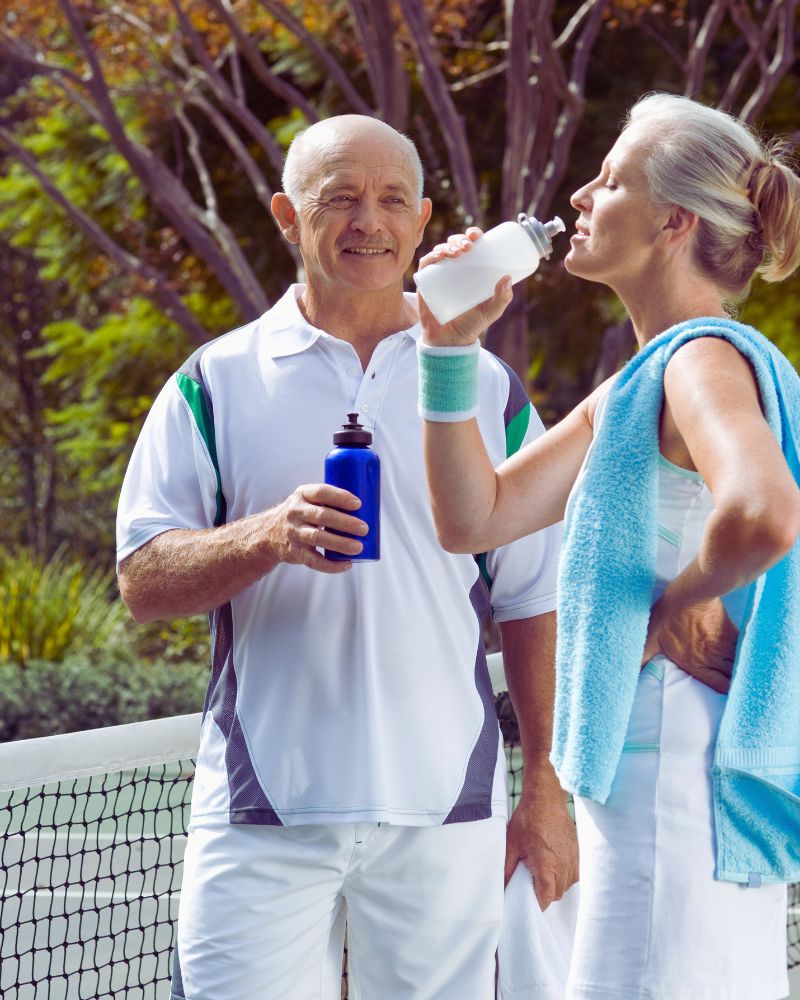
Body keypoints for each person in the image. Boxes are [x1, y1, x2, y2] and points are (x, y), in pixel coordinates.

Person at [115, 114, 577, 1000]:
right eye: (341, 199)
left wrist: (543, 791)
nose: (369, 221)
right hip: (261, 809)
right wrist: (265, 536)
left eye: (392, 200)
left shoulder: (481, 382)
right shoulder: (214, 381)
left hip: (447, 811)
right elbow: (141, 580)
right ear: (290, 217)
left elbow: (534, 598)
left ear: (422, 218)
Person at [416, 92, 800, 999]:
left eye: (610, 179)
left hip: (673, 795)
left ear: (672, 221)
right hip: (652, 800)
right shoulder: (637, 384)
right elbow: (474, 518)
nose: (581, 196)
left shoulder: (700, 359)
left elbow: (767, 511)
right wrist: (446, 349)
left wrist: (671, 611)